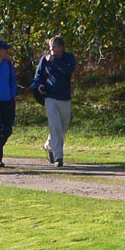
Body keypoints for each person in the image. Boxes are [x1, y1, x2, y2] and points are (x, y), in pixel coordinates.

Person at [32, 35, 77, 167]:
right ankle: (59, 157)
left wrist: (55, 61)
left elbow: (67, 71)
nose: (52, 51)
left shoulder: (69, 58)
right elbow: (38, 76)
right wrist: (39, 86)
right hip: (50, 97)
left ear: (61, 47)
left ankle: (49, 145)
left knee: (63, 127)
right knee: (55, 126)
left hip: (64, 97)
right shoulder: (44, 60)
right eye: (50, 48)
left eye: (55, 48)